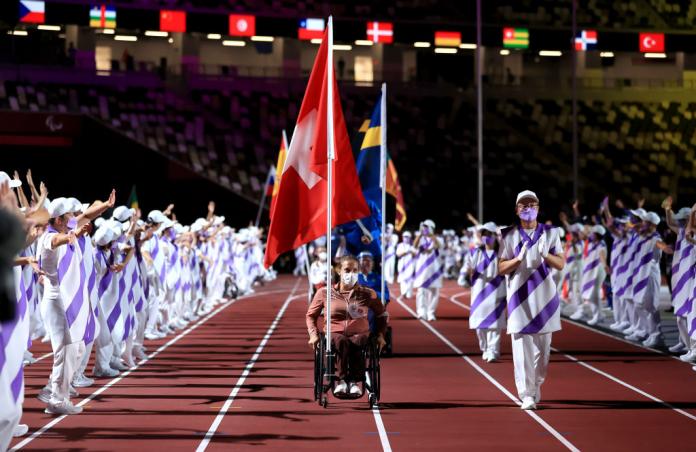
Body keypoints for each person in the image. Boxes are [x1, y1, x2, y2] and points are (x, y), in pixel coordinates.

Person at [499, 190, 565, 410]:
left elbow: (561, 263)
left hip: (545, 298)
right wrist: (517, 259)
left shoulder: (552, 232)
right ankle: (526, 393)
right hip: (519, 298)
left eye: (532, 204)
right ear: (517, 210)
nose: (528, 208)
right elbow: (500, 268)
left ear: (539, 206)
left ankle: (536, 384)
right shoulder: (507, 235)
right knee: (522, 349)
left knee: (543, 352)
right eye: (523, 205)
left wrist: (546, 255)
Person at [306, 255, 387, 397]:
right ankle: (343, 381)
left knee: (359, 340)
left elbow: (382, 315)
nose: (351, 274)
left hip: (360, 333)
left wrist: (381, 335)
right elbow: (311, 315)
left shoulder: (367, 294)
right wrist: (313, 334)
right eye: (347, 270)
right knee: (341, 341)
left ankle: (355, 382)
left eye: (355, 270)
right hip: (334, 333)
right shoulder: (324, 292)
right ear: (339, 271)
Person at [460, 222, 506, 362]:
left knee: (494, 325)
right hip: (479, 294)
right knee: (480, 326)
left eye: (488, 234)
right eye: (483, 234)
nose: (486, 237)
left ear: (494, 236)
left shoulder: (502, 253)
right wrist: (469, 272)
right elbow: (467, 269)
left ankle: (493, 350)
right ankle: (485, 348)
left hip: (497, 292)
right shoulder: (475, 252)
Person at [662, 198, 696, 359]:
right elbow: (670, 223)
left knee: (687, 313)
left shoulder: (691, 232)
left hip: (691, 276)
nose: (681, 223)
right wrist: (668, 209)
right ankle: (685, 344)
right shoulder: (682, 231)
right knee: (680, 314)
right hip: (680, 275)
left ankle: (691, 348)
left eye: (684, 220)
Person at [413, 219, 443, 321]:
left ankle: (431, 313)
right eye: (424, 227)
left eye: (427, 227)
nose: (425, 229)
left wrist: (431, 236)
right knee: (421, 291)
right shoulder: (421, 239)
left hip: (435, 270)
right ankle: (421, 312)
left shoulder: (439, 239)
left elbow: (438, 246)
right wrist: (420, 234)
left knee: (434, 292)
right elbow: (415, 245)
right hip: (422, 270)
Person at [396, 231, 416, 298]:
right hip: (402, 265)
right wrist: (407, 252)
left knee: (410, 279)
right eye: (405, 237)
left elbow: (415, 255)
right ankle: (403, 293)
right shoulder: (400, 245)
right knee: (402, 279)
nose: (406, 238)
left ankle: (409, 293)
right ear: (403, 237)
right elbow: (398, 255)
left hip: (410, 264)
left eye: (407, 237)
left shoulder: (412, 246)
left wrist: (411, 251)